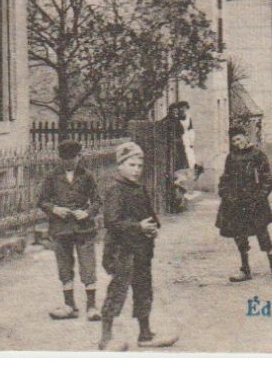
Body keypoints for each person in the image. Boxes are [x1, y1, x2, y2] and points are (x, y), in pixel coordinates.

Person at [98, 142, 177, 350]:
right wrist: (138, 227)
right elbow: (111, 222)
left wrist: (153, 227)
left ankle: (145, 334)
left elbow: (150, 215)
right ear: (120, 166)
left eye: (139, 166)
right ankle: (105, 338)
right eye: (131, 165)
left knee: (143, 290)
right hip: (122, 251)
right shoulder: (115, 190)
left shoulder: (140, 189)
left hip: (142, 249)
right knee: (118, 291)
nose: (136, 170)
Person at [37, 140, 101, 321]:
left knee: (88, 265)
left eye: (73, 158)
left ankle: (91, 307)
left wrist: (87, 212)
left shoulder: (87, 176)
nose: (69, 162)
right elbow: (42, 201)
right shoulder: (52, 176)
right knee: (64, 266)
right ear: (60, 158)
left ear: (79, 157)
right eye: (65, 159)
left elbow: (97, 201)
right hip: (61, 228)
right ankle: (70, 305)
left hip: (83, 228)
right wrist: (55, 209)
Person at [216, 126, 272, 282]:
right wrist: (225, 193)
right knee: (239, 235)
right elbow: (225, 178)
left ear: (246, 138)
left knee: (262, 233)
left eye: (239, 139)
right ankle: (245, 270)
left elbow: (268, 179)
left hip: (255, 202)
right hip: (236, 202)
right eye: (233, 140)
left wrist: (259, 197)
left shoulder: (258, 156)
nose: (237, 143)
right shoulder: (231, 157)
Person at [158, 102, 192, 213]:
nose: (176, 113)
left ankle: (178, 203)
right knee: (176, 177)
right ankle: (176, 204)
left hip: (178, 154)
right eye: (174, 111)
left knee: (179, 178)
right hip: (173, 154)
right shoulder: (168, 122)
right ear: (170, 111)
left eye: (177, 111)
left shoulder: (176, 122)